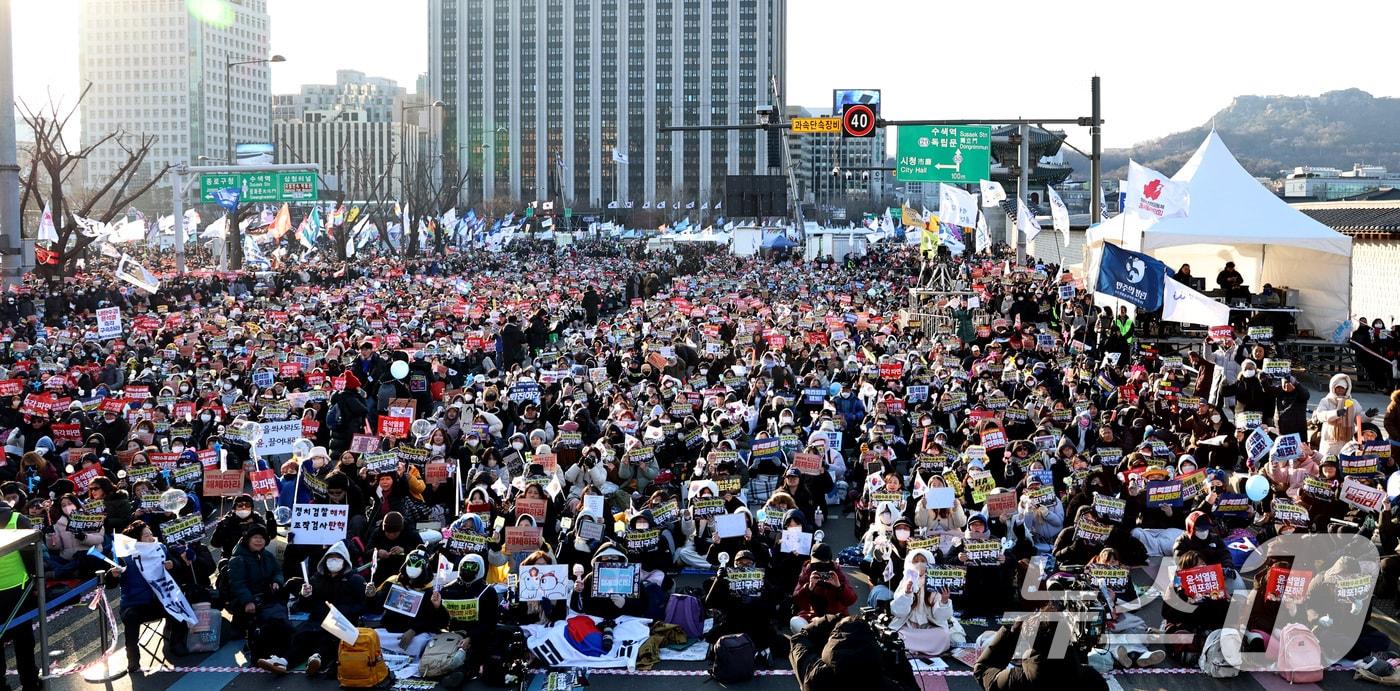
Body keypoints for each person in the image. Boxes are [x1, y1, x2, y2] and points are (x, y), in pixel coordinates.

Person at [107, 520, 190, 675]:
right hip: (134, 604)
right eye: (146, 535)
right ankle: (133, 659)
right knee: (131, 619)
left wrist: (173, 564)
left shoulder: (161, 548)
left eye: (151, 534)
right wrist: (112, 575)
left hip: (159, 599)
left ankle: (177, 643)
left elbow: (177, 566)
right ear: (136, 540)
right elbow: (110, 584)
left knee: (176, 605)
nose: (151, 538)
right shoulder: (124, 556)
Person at [285, 540, 366, 678]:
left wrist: (343, 611)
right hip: (317, 620)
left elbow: (362, 605)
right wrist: (304, 595)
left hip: (342, 622)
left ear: (345, 561)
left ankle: (318, 659)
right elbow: (305, 605)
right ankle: (284, 662)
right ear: (325, 560)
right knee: (301, 635)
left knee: (329, 639)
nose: (334, 561)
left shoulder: (355, 580)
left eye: (338, 558)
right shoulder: (317, 579)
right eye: (331, 558)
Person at [226, 523, 292, 673]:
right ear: (247, 539)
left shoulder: (267, 555)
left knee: (282, 623)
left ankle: (279, 657)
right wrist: (248, 601)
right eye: (255, 537)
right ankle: (267, 656)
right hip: (251, 601)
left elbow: (278, 571)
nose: (259, 541)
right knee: (274, 623)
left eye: (262, 538)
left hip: (268, 597)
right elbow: (238, 584)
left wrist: (277, 581)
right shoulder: (238, 559)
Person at [789, 614, 916, 691]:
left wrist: (830, 619)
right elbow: (911, 686)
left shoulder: (815, 676)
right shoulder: (885, 684)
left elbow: (798, 640)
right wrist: (896, 656)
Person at [0, 496, 40, 691]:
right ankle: (30, 682)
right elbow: (32, 555)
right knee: (23, 638)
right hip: (18, 586)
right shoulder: (18, 519)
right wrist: (36, 580)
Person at [1313, 373, 1365, 457]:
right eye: (1338, 388)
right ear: (1333, 388)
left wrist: (1368, 416)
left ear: (1347, 389)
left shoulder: (1353, 402)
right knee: (1328, 463)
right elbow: (1320, 415)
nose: (1340, 390)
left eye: (1343, 388)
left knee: (1344, 463)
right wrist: (1336, 413)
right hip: (1330, 440)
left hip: (1347, 441)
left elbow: (1358, 418)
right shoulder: (1326, 401)